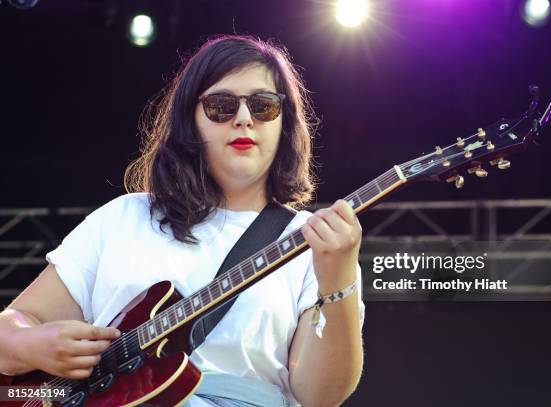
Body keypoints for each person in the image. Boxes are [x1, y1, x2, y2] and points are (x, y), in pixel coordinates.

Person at [0, 35, 365, 406]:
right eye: (221, 106)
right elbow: (12, 325)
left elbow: (321, 396)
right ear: (190, 120)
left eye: (263, 106)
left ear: (284, 123)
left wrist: (338, 280)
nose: (243, 119)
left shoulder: (311, 242)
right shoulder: (124, 218)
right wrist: (29, 344)